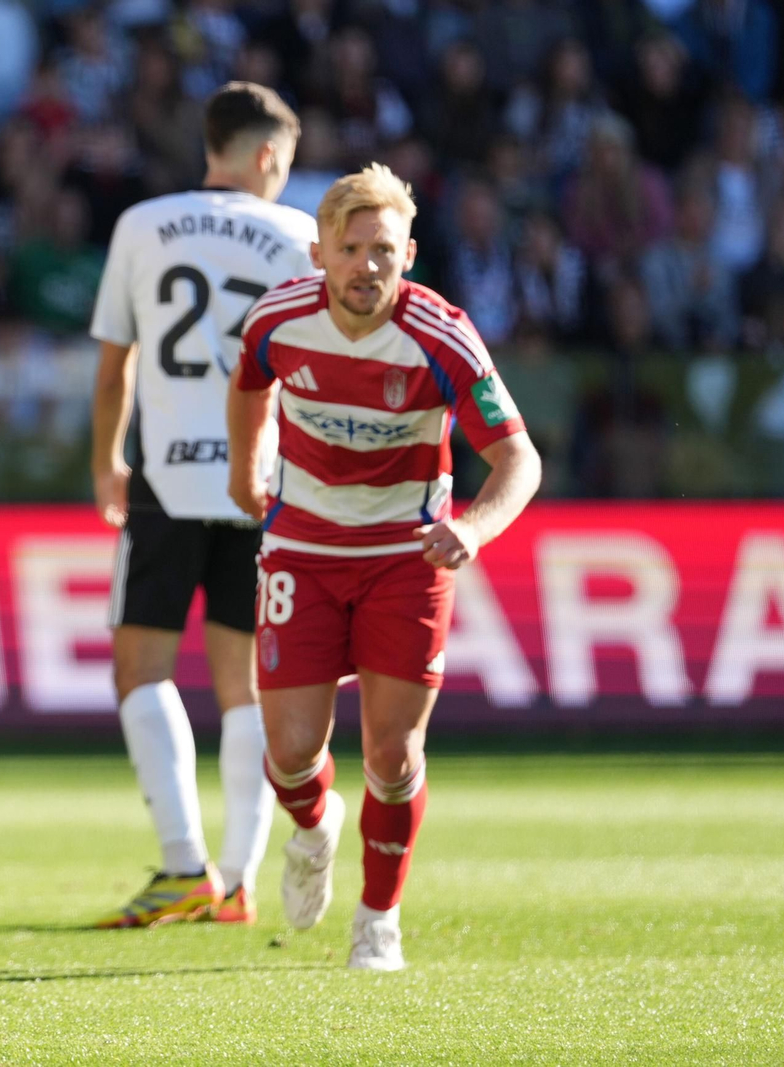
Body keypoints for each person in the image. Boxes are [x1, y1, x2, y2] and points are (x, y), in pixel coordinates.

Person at [226, 164, 541, 970]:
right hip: (302, 547)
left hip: (406, 557)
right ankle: (313, 824)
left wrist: (472, 527)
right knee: (291, 752)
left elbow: (518, 461)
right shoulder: (278, 320)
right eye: (352, 248)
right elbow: (250, 384)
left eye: (385, 250)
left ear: (409, 253)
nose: (368, 265)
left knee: (394, 756)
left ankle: (378, 918)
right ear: (321, 253)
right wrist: (244, 465)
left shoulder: (441, 335)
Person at [87, 81, 317, 928]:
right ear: (266, 156)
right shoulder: (301, 235)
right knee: (243, 684)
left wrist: (106, 461)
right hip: (265, 479)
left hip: (167, 474)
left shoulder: (143, 224)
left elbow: (117, 364)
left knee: (140, 669)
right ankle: (237, 877)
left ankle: (183, 864)